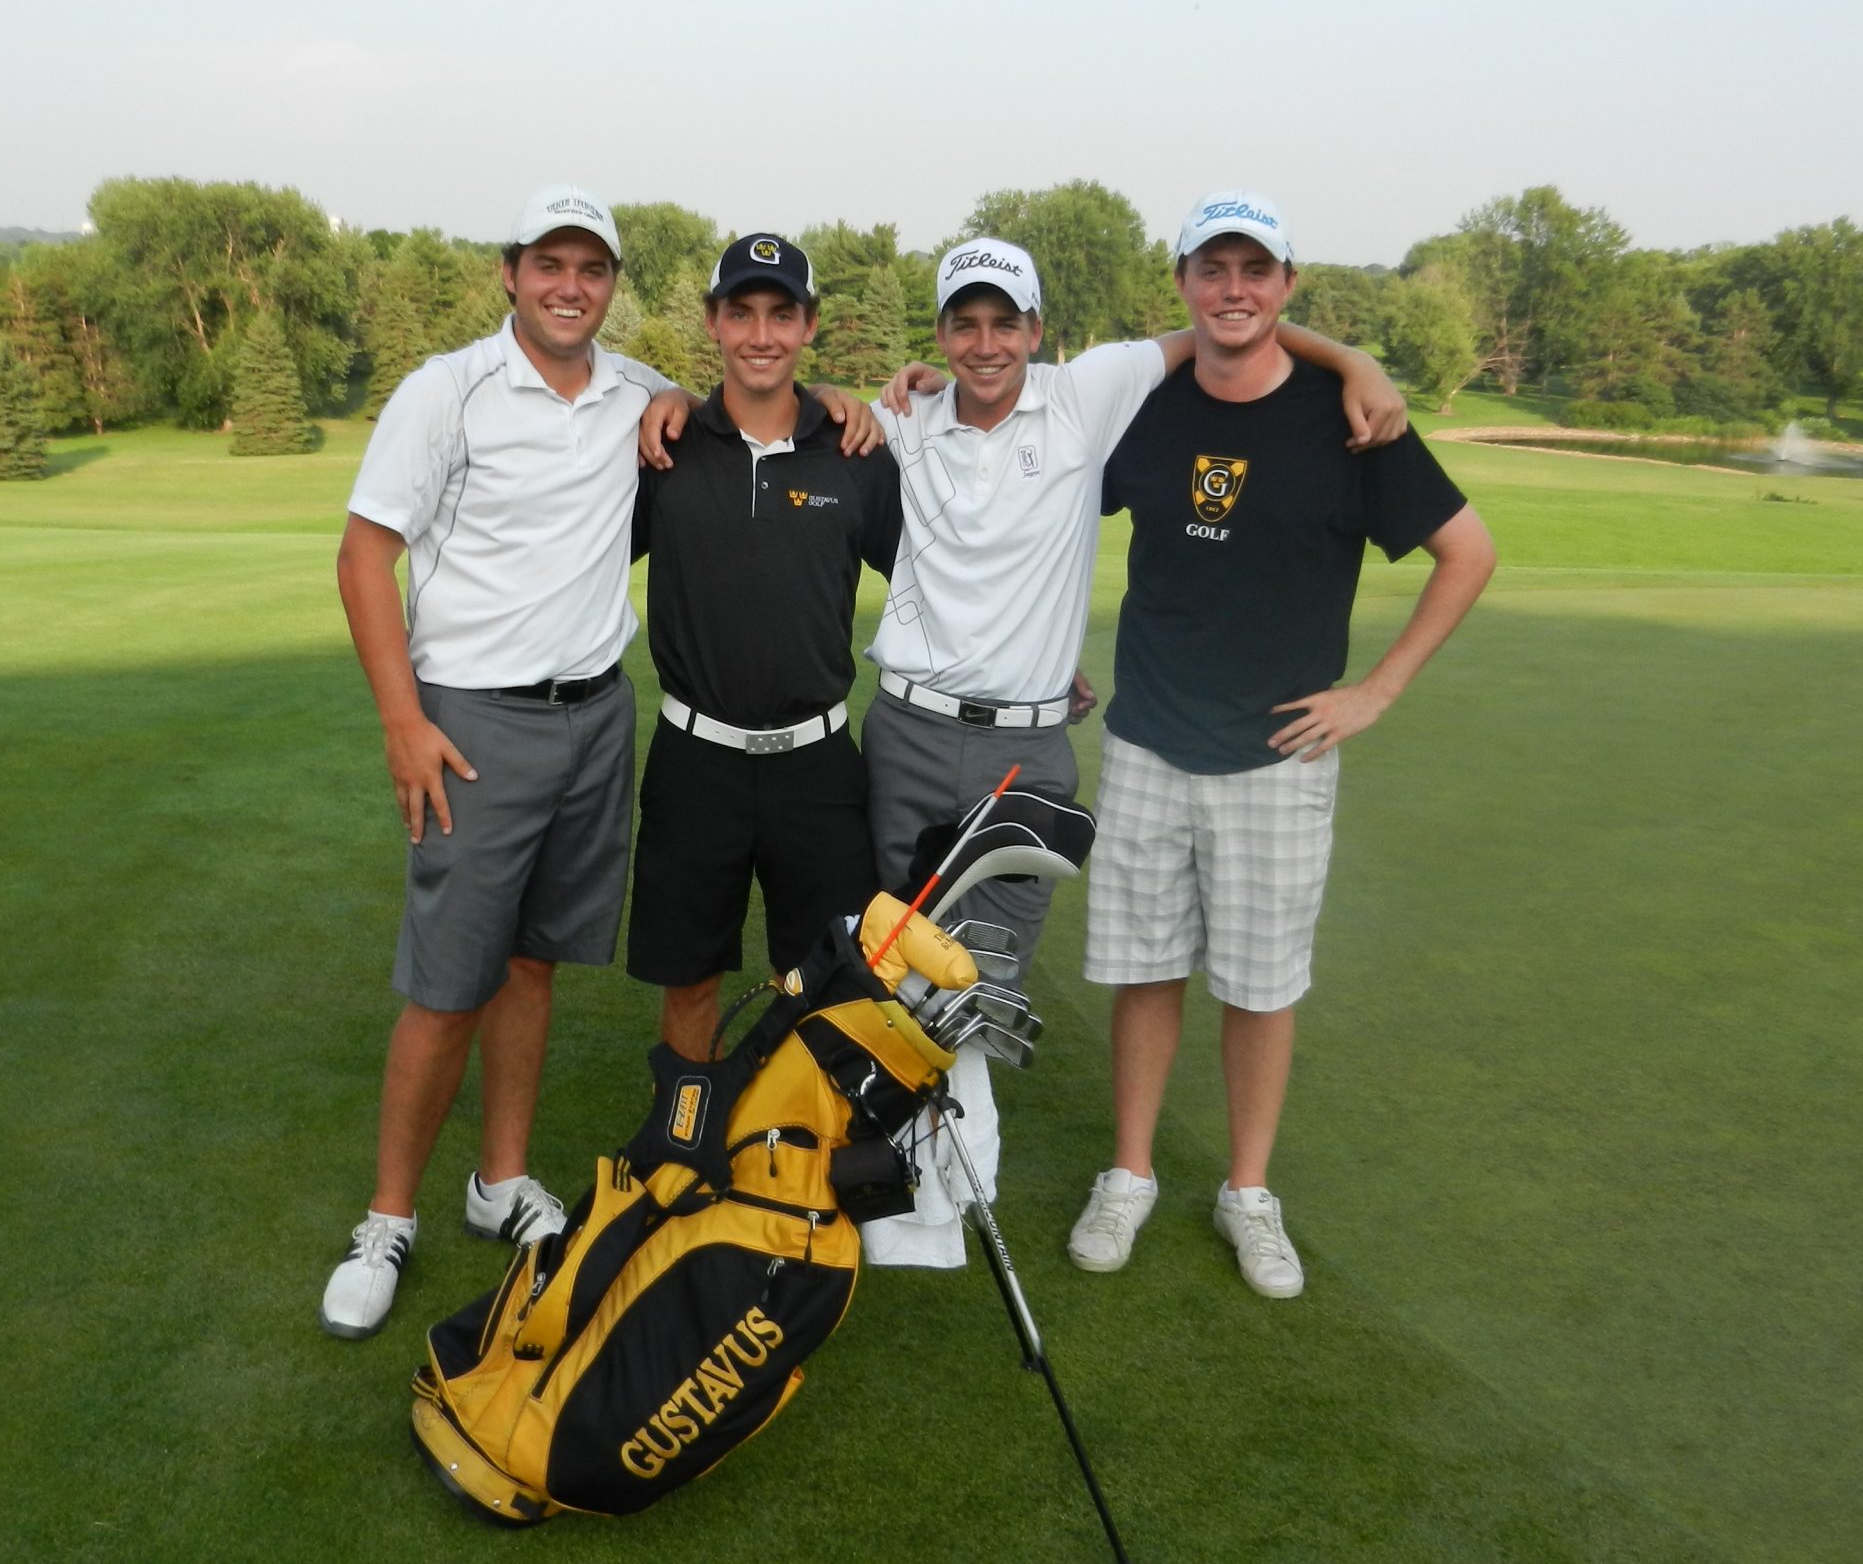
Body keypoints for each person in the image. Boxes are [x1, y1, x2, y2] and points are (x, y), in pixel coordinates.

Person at [319, 186, 876, 1339]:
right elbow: (364, 552)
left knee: (532, 963)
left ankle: (499, 1181)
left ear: (613, 284)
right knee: (446, 981)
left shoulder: (641, 399)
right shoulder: (449, 390)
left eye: (591, 268)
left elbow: (758, 422)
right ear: (512, 272)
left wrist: (853, 401)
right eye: (549, 265)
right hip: (471, 721)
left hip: (594, 718)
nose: (569, 285)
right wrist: (401, 719)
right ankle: (386, 1218)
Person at [854, 238, 1410, 1267]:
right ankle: (896, 1174)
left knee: (985, 974)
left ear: (1035, 329)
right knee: (893, 957)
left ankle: (951, 1178)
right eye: (962, 324)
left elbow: (1225, 319)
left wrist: (1350, 359)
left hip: (1024, 741)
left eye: (1003, 323)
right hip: (907, 725)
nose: (984, 344)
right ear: (937, 334)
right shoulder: (899, 417)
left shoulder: (1085, 391)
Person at [1065, 190, 1496, 1301]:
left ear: (1287, 283)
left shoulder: (1351, 419)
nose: (1234, 289)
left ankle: (1247, 1189)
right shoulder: (1145, 405)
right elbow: (1045, 496)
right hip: (1152, 738)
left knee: (1259, 987)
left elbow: (1469, 552)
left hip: (1278, 755)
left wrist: (1376, 691)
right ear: (1184, 283)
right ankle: (1130, 1171)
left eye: (1255, 270)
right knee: (1146, 970)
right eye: (1213, 269)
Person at [627, 234, 902, 1059]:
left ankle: (799, 1172)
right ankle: (684, 1167)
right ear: (712, 322)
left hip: (817, 769)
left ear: (809, 325)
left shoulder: (855, 452)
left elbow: (932, 581)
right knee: (691, 978)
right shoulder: (665, 449)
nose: (760, 334)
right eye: (740, 313)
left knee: (822, 980)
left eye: (781, 314)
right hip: (694, 757)